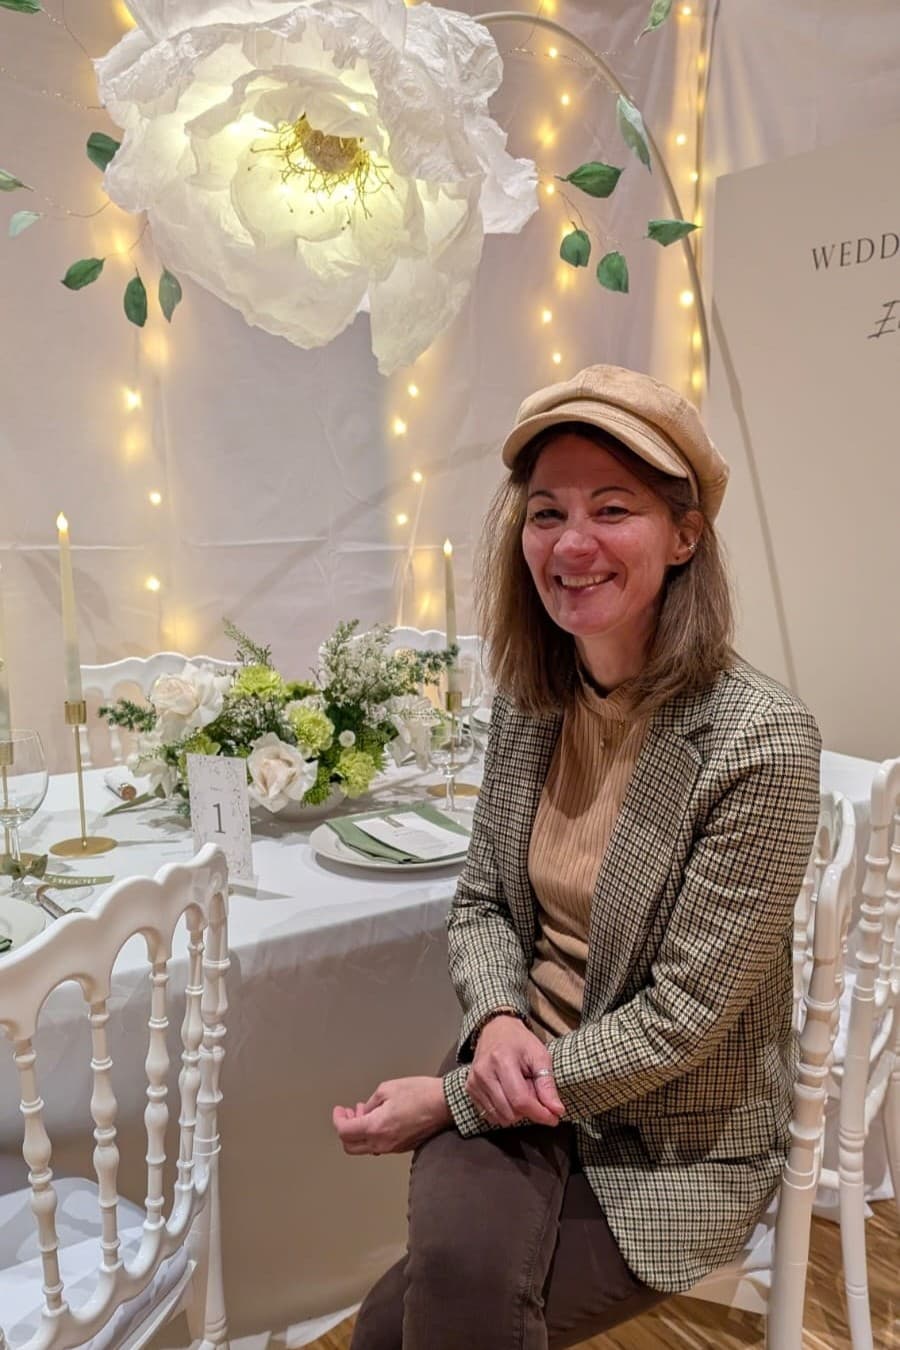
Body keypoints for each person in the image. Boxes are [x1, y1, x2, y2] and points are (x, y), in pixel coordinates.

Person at [332, 365, 822, 1349]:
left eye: (613, 508)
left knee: (408, 1324)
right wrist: (500, 1016)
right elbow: (481, 907)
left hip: (669, 1136)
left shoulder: (758, 741)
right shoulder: (535, 696)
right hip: (520, 1072)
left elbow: (681, 1023)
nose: (571, 543)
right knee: (451, 1290)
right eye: (546, 511)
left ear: (685, 535)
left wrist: (454, 1096)